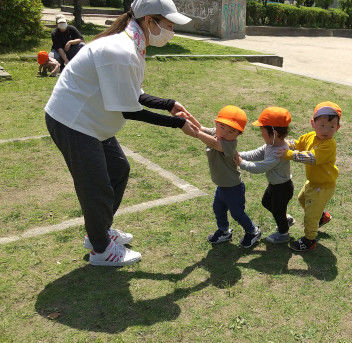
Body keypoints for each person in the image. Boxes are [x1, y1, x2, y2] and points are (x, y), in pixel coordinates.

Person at [44, 0, 198, 267]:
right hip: (74, 121)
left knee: (118, 170)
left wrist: (168, 104)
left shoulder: (132, 44)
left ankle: (99, 231)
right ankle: (101, 249)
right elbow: (130, 110)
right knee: (96, 187)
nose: (172, 32)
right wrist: (177, 124)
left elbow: (131, 92)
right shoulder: (121, 50)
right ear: (150, 21)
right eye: (169, 26)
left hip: (92, 122)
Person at [180, 106, 261, 248]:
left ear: (238, 134)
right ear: (216, 123)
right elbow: (200, 128)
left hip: (233, 188)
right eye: (222, 127)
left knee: (237, 213)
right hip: (222, 186)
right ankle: (224, 231)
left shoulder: (229, 144)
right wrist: (188, 118)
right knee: (218, 208)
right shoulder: (216, 133)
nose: (225, 133)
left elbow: (214, 143)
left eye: (232, 131)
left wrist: (196, 133)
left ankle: (252, 231)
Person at [277, 101, 341, 252]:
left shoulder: (328, 145)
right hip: (313, 182)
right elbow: (298, 143)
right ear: (313, 123)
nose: (326, 130)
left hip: (323, 185)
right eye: (322, 125)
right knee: (302, 199)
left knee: (310, 216)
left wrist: (290, 155)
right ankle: (321, 217)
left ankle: (309, 240)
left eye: (332, 127)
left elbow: (311, 157)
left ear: (337, 127)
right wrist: (284, 144)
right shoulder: (310, 136)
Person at [234, 107, 295, 244]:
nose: (262, 135)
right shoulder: (271, 144)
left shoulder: (279, 152)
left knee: (278, 212)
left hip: (282, 188)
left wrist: (241, 163)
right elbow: (256, 154)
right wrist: (239, 155)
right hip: (274, 185)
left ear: (273, 132)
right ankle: (286, 219)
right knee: (266, 202)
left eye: (262, 133)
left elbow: (260, 167)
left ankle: (283, 233)